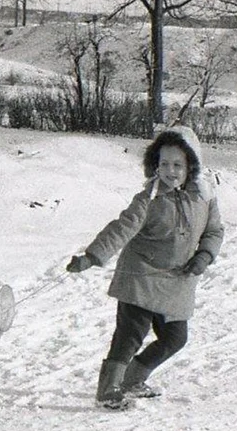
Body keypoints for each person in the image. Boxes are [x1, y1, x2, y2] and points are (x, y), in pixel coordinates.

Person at [66, 125, 224, 410]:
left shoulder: (204, 198)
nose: (170, 171)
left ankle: (132, 379)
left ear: (191, 166)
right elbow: (122, 228)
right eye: (164, 164)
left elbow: (214, 232)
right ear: (155, 165)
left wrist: (204, 256)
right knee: (130, 335)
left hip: (178, 280)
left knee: (176, 337)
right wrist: (91, 256)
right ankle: (108, 389)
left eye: (178, 164)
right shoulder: (148, 199)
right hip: (140, 276)